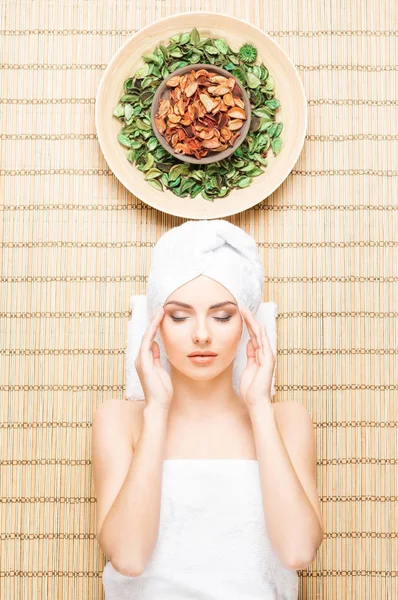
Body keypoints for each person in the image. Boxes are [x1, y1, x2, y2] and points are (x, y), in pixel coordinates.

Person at [92, 220, 324, 600]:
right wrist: (156, 412)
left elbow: (298, 552)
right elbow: (129, 558)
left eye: (222, 316)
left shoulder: (287, 420)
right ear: (156, 325)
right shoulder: (120, 421)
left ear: (248, 325)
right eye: (180, 316)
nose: (201, 334)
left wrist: (260, 407)